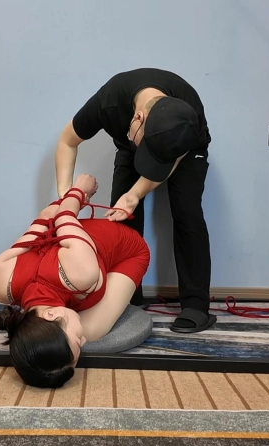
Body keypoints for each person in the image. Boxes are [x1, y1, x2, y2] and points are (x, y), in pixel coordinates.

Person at [53, 68, 215, 334]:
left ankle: (196, 304)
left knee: (187, 214)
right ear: (138, 118)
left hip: (184, 152)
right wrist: (66, 197)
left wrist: (136, 193)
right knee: (122, 221)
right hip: (129, 144)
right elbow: (67, 142)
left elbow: (172, 159)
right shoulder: (109, 102)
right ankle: (127, 295)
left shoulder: (189, 115)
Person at [0, 174, 151, 389]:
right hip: (77, 251)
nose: (83, 342)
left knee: (91, 331)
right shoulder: (0, 287)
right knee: (86, 327)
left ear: (51, 315)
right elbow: (43, 220)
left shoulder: (80, 274)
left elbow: (62, 217)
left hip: (126, 252)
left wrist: (79, 190)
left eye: (77, 341)